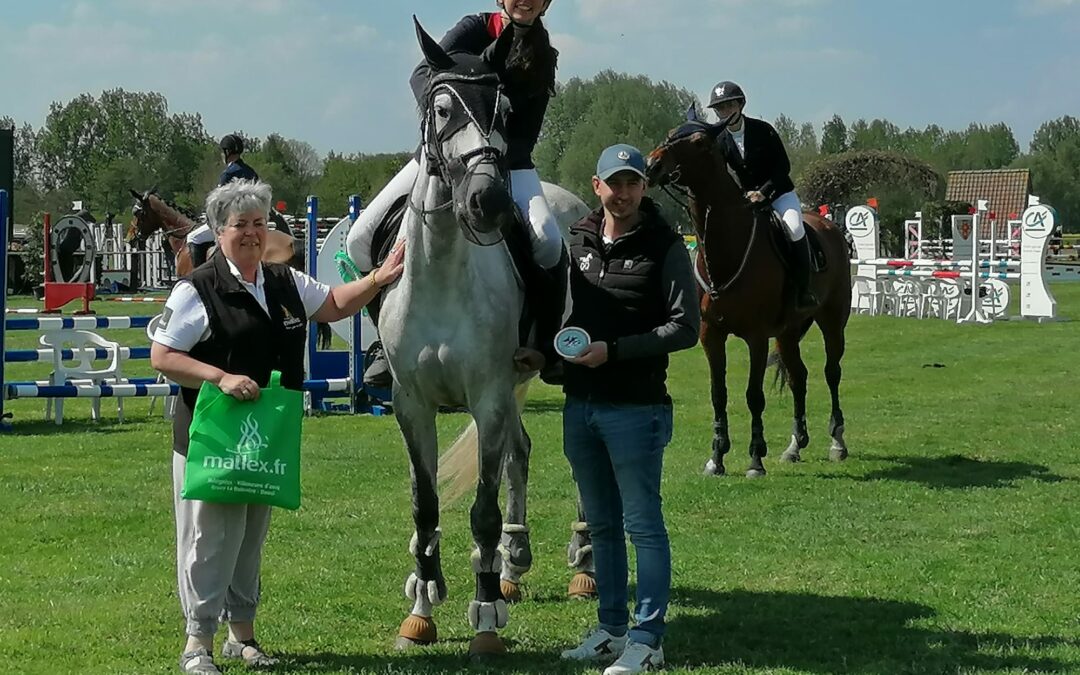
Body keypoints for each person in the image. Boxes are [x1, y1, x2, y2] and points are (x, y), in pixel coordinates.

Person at [150, 179, 404, 675]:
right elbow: (163, 356)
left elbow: (332, 304)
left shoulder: (283, 281)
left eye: (258, 224)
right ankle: (196, 642)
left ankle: (241, 636)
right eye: (239, 225)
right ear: (218, 231)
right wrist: (219, 377)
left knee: (249, 539)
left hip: (265, 439)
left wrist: (377, 278)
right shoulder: (197, 288)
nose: (250, 233)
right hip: (211, 440)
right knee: (209, 538)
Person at [346, 0, 567, 387]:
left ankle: (544, 344)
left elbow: (528, 124)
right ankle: (385, 341)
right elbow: (423, 73)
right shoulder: (473, 27)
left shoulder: (542, 52)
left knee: (548, 243)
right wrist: (449, 120)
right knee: (358, 240)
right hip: (440, 155)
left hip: (509, 161)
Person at [558, 145, 699, 675]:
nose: (623, 193)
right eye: (614, 183)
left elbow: (686, 328)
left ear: (644, 187)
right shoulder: (577, 240)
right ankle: (612, 628)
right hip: (581, 406)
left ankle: (648, 637)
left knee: (643, 525)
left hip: (637, 409)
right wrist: (544, 353)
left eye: (632, 183)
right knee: (601, 525)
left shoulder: (664, 245)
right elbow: (564, 314)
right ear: (597, 186)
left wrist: (613, 352)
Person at [706, 81, 818, 310]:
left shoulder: (763, 130)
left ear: (740, 105)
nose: (725, 112)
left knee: (795, 229)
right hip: (748, 200)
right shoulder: (719, 141)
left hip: (778, 194)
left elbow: (782, 167)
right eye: (720, 108)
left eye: (729, 106)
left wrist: (764, 192)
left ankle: (803, 290)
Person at [186, 135, 261, 268]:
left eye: (222, 152)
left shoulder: (228, 174)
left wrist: (210, 218)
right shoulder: (251, 172)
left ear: (227, 152)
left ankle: (198, 276)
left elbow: (218, 202)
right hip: (254, 220)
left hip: (232, 221)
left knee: (193, 237)